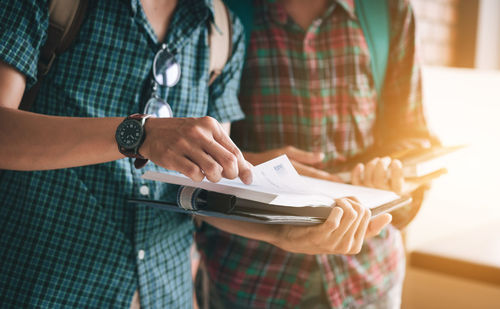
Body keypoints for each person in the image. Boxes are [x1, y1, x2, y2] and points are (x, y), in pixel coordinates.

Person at [0, 0, 391, 307]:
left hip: (163, 295)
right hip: (40, 288)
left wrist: (283, 234)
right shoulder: (54, 5)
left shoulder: (224, 31)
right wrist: (141, 135)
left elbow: (209, 190)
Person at [195, 0, 436, 308]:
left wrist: (395, 176)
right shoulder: (223, 11)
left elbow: (414, 137)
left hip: (369, 280)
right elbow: (193, 149)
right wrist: (256, 168)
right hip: (247, 281)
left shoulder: (387, 10)